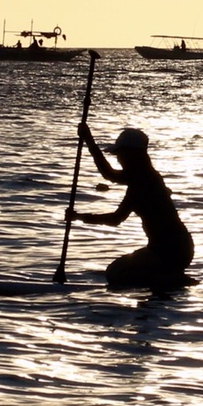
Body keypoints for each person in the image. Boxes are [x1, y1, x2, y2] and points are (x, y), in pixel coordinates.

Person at [67, 124, 194, 290]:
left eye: (120, 154)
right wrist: (88, 140)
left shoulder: (142, 182)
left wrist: (79, 217)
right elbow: (109, 175)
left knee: (115, 272)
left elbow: (115, 219)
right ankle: (168, 278)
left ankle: (169, 280)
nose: (118, 159)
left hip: (170, 251)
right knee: (120, 270)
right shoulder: (146, 177)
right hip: (174, 249)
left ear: (132, 155)